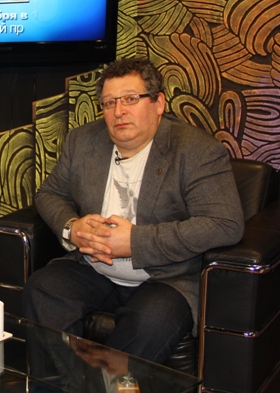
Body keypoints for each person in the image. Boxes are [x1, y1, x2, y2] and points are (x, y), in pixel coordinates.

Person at [23, 58, 245, 365]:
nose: (119, 111)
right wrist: (72, 227)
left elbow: (224, 223)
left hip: (166, 278)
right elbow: (49, 194)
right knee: (42, 288)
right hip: (94, 268)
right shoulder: (83, 141)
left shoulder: (196, 150)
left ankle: (100, 386)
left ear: (158, 103)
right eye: (109, 102)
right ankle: (58, 385)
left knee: (148, 321)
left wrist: (134, 242)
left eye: (130, 99)